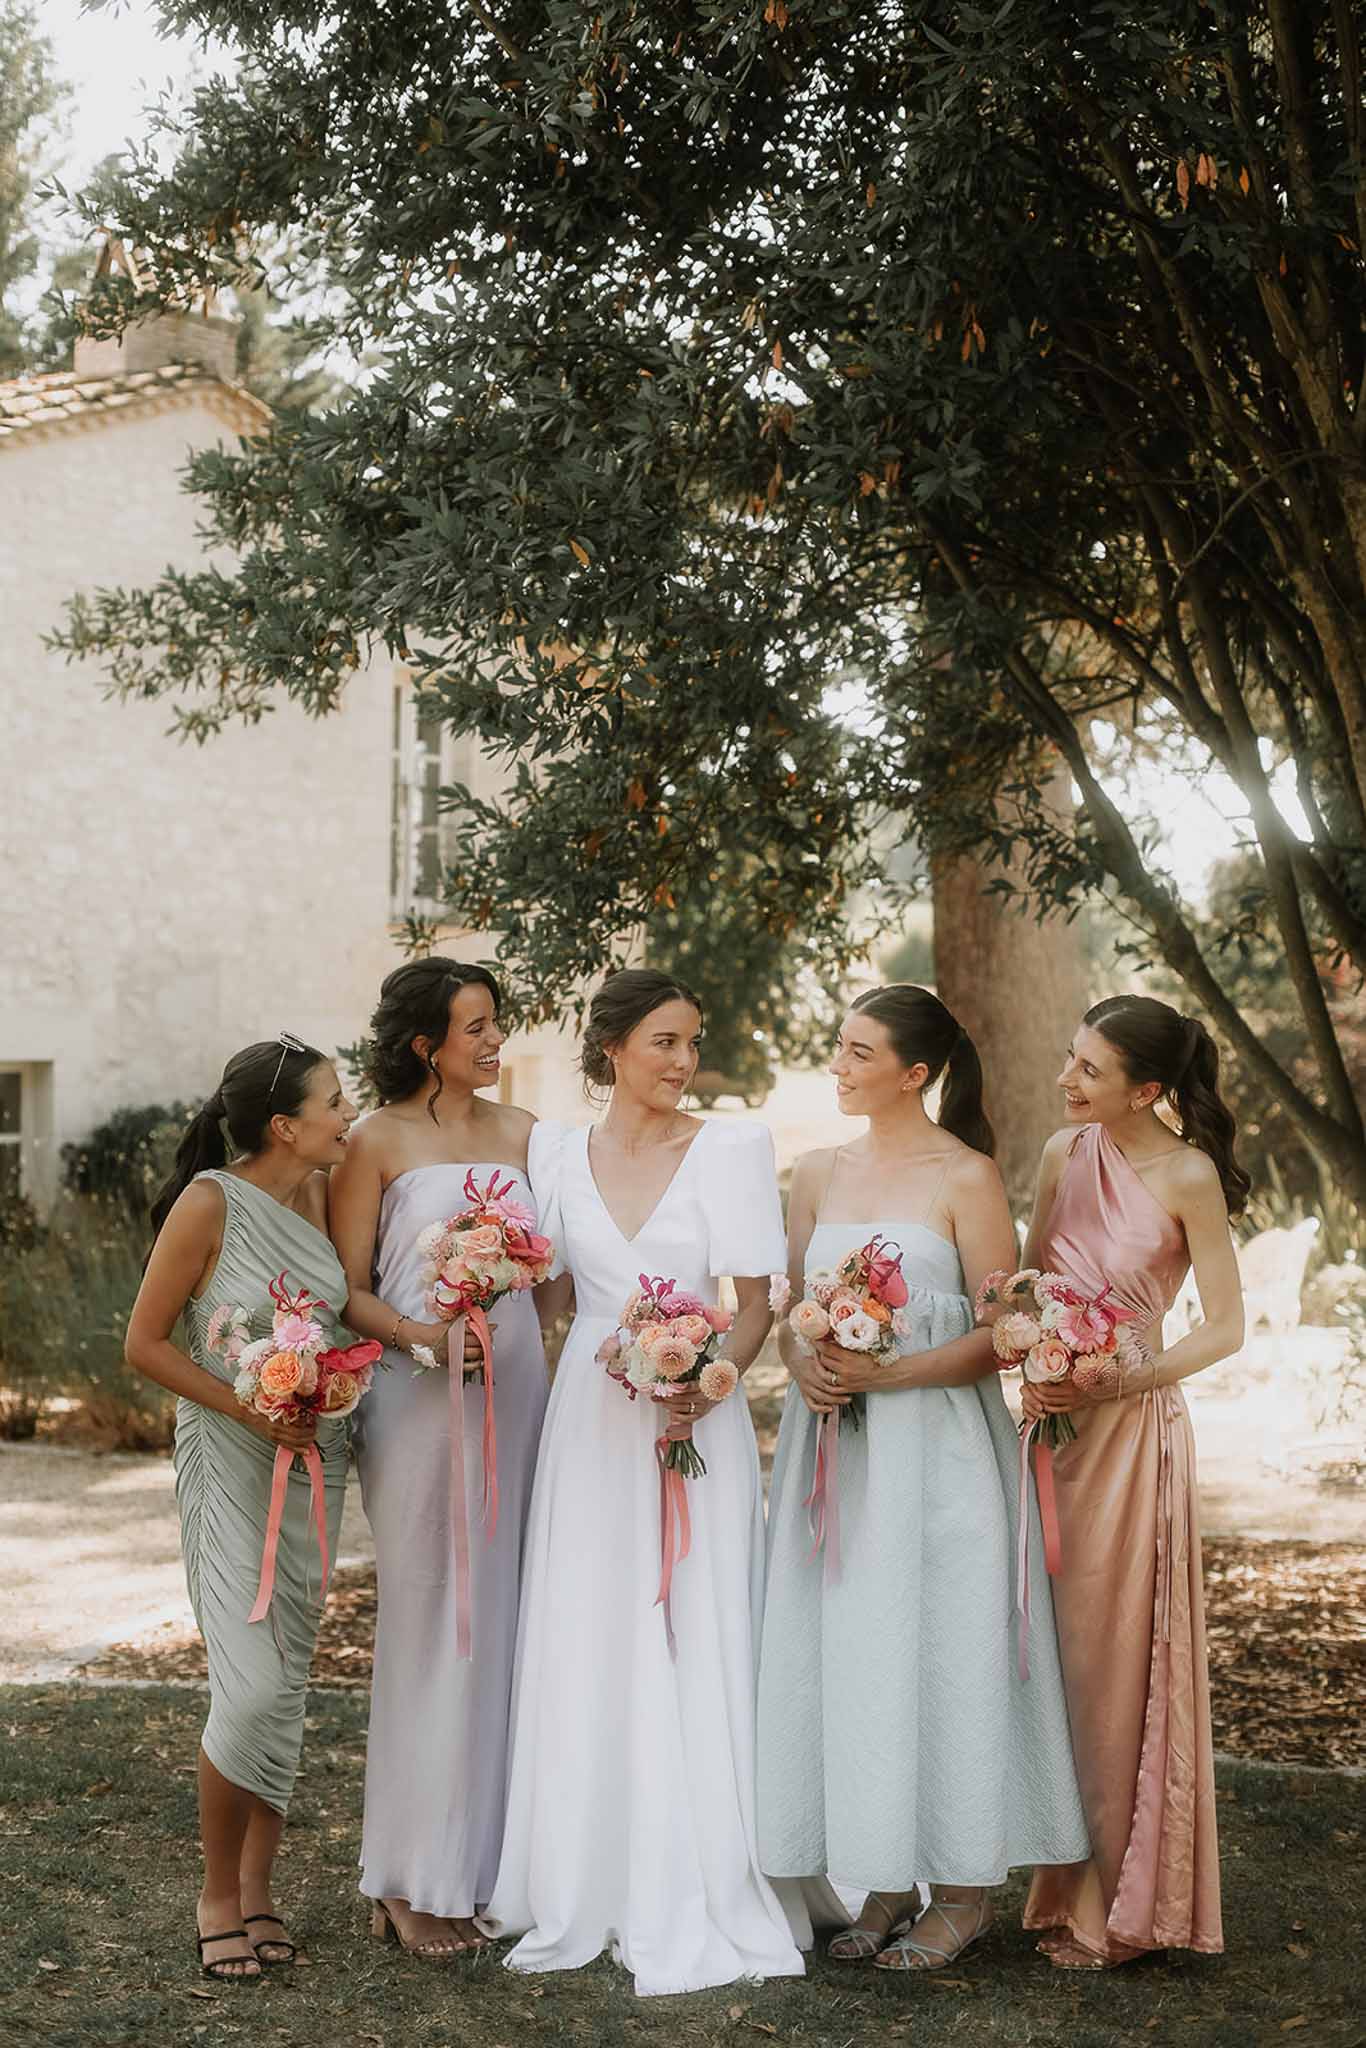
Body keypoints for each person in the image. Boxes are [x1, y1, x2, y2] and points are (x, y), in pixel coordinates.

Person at [487, 968, 806, 1995]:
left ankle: (707, 1861)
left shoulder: (732, 1147)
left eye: (691, 1041)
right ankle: (583, 1865)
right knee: (590, 1617)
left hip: (692, 1415)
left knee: (692, 1621)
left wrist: (712, 1380)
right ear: (613, 1046)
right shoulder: (550, 1149)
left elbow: (754, 1300)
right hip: (589, 1414)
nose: (683, 1061)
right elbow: (551, 1291)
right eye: (664, 1040)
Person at [757, 985, 1088, 1971]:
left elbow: (1000, 1331)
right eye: (839, 1045)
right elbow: (789, 1306)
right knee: (858, 1654)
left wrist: (888, 1369)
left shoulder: (966, 1174)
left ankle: (962, 1892)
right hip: (836, 1450)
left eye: (859, 1051)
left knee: (945, 1648)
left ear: (913, 1071)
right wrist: (807, 1359)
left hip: (938, 1452)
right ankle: (885, 1875)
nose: (839, 1063)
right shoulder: (815, 1170)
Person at [124, 1037, 359, 1981]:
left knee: (289, 1682)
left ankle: (261, 1893)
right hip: (230, 1455)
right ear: (284, 1124)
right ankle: (216, 1895)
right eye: (335, 1101)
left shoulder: (321, 1194)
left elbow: (346, 1316)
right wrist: (248, 1404)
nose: (349, 1113)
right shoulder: (209, 1202)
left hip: (314, 1465)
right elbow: (144, 1344)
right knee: (249, 1684)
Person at [328, 958, 548, 1960]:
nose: (495, 1041)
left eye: (495, 1024)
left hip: (523, 1394)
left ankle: (493, 1862)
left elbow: (559, 1281)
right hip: (419, 1400)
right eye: (478, 1026)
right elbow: (348, 1292)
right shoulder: (373, 1140)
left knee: (506, 1620)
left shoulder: (526, 1136)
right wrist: (423, 1336)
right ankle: (410, 1875)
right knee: (429, 1622)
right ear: (427, 1042)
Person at [1020, 995, 1246, 1968]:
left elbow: (1225, 1325)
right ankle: (1056, 1878)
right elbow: (1023, 1290)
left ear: (1146, 1089)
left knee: (1117, 1658)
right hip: (1049, 1429)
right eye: (1069, 1060)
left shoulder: (1188, 1173)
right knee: (1050, 1656)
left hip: (1131, 1435)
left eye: (1088, 1070)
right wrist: (1031, 1356)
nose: (1066, 1081)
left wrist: (1130, 1370)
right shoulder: (1056, 1157)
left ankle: (1117, 1905)